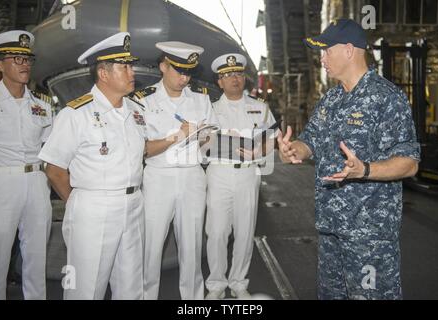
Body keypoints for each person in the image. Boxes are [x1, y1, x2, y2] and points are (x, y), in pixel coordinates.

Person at [278, 19, 420, 300]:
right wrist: (294, 149)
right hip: (331, 228)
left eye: (325, 51)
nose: (321, 59)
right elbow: (311, 141)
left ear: (348, 50)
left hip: (369, 236)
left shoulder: (387, 99)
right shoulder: (330, 100)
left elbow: (409, 161)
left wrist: (364, 170)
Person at [38, 32, 146, 300]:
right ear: (104, 73)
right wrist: (80, 203)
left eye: (131, 65)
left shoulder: (136, 110)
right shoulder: (76, 113)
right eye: (125, 67)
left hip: (133, 205)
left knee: (131, 287)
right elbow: (54, 169)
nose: (132, 72)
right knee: (85, 288)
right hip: (94, 208)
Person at [134, 41, 217, 300]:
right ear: (162, 66)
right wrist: (178, 136)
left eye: (188, 72)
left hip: (192, 175)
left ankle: (192, 301)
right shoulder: (143, 100)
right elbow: (143, 149)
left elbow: (210, 140)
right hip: (158, 178)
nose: (184, 77)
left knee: (192, 248)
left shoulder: (201, 98)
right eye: (178, 70)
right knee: (151, 248)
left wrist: (206, 138)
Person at [204, 53, 276, 300]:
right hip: (219, 174)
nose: (234, 79)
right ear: (219, 81)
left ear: (244, 77)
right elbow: (202, 145)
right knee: (216, 232)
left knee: (245, 233)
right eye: (227, 75)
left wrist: (260, 150)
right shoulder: (209, 109)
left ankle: (238, 284)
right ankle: (215, 286)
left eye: (238, 74)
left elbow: (270, 140)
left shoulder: (260, 107)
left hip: (248, 174)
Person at [0, 30, 53, 300]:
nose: (24, 64)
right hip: (2, 182)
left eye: (27, 59)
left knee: (36, 253)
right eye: (16, 58)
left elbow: (50, 146)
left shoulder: (41, 104)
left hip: (36, 180)